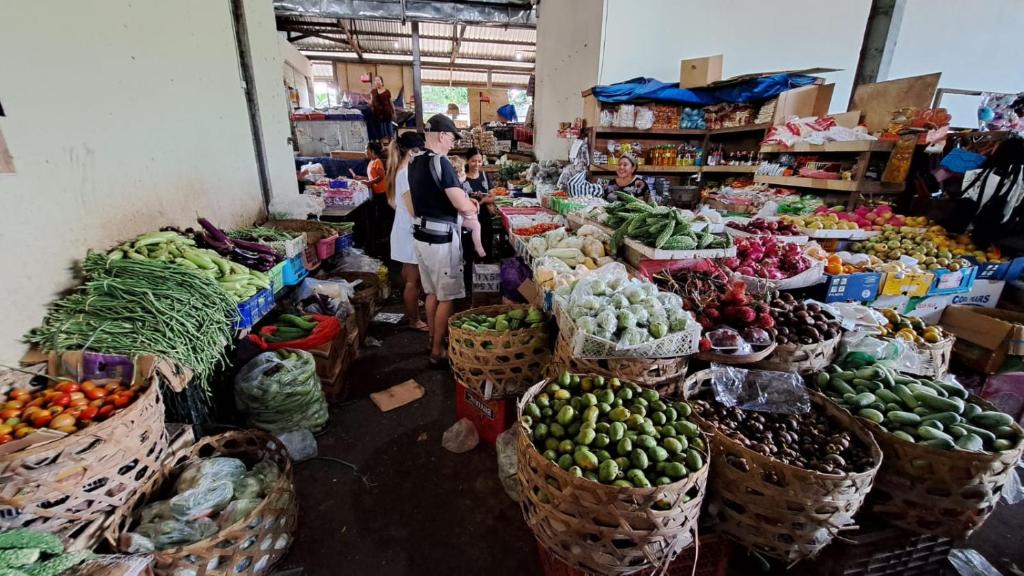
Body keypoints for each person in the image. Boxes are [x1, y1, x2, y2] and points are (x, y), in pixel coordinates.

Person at [409, 114, 481, 367]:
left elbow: (411, 201)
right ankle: (438, 350)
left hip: (421, 235)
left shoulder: (415, 161)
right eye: (451, 138)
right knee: (447, 296)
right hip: (441, 239)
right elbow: (459, 201)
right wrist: (471, 207)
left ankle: (432, 338)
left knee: (431, 293)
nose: (452, 144)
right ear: (441, 135)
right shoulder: (441, 163)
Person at [386, 131, 428, 332]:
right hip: (408, 231)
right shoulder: (405, 174)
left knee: (409, 276)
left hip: (404, 229)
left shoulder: (401, 170)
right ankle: (414, 320)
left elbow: (397, 204)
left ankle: (414, 308)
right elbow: (413, 209)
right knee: (413, 280)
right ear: (412, 152)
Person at [350, 142, 391, 258]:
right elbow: (372, 176)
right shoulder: (371, 162)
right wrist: (362, 178)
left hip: (381, 192)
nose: (365, 152)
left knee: (382, 215)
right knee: (377, 214)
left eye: (366, 150)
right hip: (376, 192)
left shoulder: (377, 162)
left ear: (372, 151)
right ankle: (380, 236)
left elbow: (381, 176)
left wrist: (369, 183)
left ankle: (383, 237)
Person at [449, 156, 486, 258]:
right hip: (460, 218)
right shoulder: (455, 187)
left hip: (461, 218)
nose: (465, 174)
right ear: (459, 173)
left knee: (476, 225)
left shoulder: (456, 186)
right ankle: (478, 246)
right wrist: (472, 209)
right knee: (476, 226)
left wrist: (471, 200)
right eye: (463, 171)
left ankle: (477, 246)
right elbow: (462, 205)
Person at [462, 148, 495, 259]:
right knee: (469, 248)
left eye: (479, 161)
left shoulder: (484, 176)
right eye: (473, 161)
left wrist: (483, 200)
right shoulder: (462, 178)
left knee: (486, 246)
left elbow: (493, 197)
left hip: (484, 218)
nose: (477, 164)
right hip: (468, 219)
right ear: (467, 160)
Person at [369, 75, 395, 141]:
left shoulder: (387, 91)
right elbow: (371, 102)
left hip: (387, 113)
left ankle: (391, 144)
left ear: (382, 82)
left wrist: (394, 112)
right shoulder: (373, 92)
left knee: (389, 129)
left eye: (378, 80)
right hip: (377, 114)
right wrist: (367, 102)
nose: (377, 82)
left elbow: (390, 102)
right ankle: (382, 146)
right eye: (375, 80)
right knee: (380, 131)